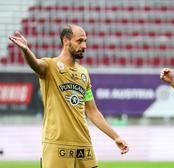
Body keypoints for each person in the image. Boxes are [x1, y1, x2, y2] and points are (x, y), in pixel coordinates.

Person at [9, 24, 129, 168]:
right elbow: (35, 64)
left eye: (85, 41)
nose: (84, 45)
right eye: (80, 41)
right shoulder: (50, 66)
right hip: (57, 145)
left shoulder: (84, 73)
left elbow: (92, 111)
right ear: (66, 41)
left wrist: (115, 137)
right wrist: (26, 50)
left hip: (84, 145)